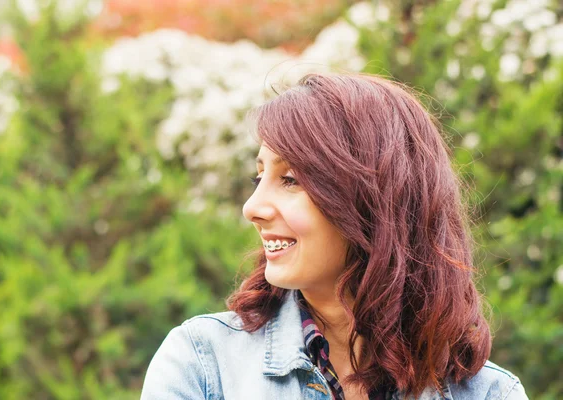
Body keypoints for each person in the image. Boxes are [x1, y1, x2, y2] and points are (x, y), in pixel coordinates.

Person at [140, 73, 528, 399]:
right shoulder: (203, 365)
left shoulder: (491, 393)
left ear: (372, 201)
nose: (252, 207)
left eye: (289, 180)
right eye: (260, 178)